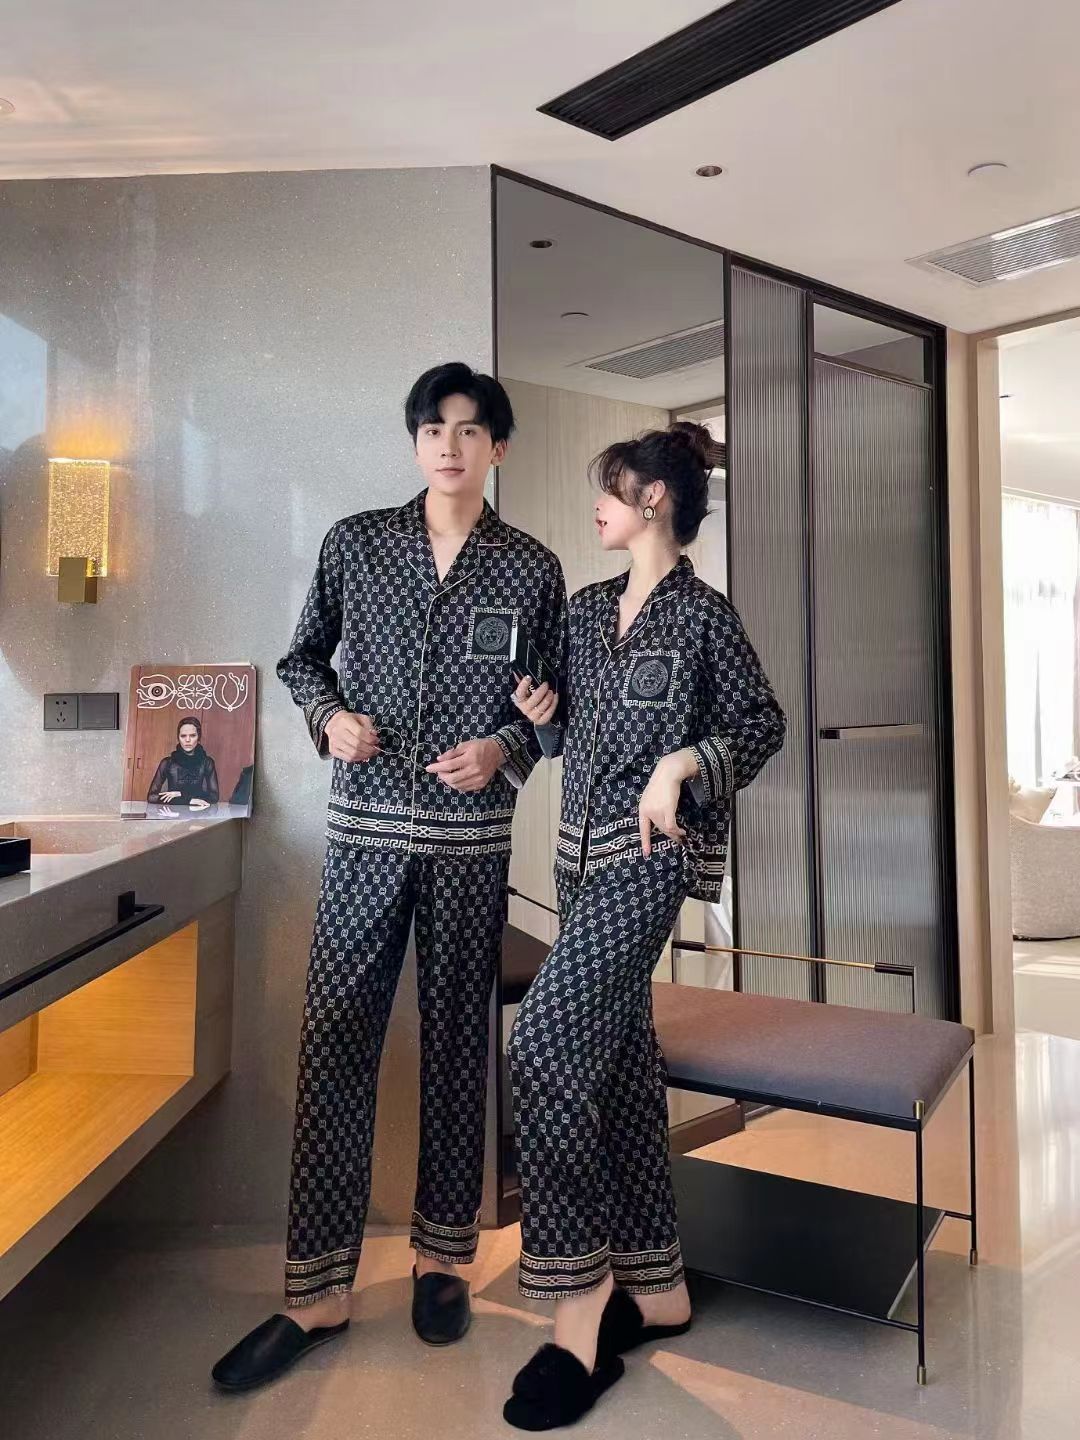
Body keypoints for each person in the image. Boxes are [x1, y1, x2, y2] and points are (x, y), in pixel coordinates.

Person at [211, 363, 567, 1391]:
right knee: (335, 1039)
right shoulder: (356, 544)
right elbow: (301, 661)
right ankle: (316, 1292)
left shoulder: (531, 569)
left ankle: (442, 1261)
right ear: (415, 443)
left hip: (471, 843)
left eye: (470, 429)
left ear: (498, 447)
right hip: (364, 835)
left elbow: (552, 704)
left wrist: (505, 748)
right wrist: (331, 720)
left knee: (457, 1043)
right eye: (433, 429)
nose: (450, 445)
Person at [502, 422, 785, 1430]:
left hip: (648, 865)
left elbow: (761, 723)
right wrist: (543, 714)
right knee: (619, 1068)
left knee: (542, 1047)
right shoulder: (585, 613)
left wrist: (682, 764)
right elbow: (565, 738)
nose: (600, 503)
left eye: (613, 488)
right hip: (574, 865)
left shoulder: (704, 617)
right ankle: (659, 1289)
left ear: (654, 498)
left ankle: (577, 1309)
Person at [146, 716, 219, 809]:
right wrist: (188, 800)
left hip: (198, 813)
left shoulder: (207, 762)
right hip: (171, 813)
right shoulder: (167, 763)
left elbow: (214, 796)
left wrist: (180, 794)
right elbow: (151, 797)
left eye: (192, 735)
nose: (187, 740)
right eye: (183, 736)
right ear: (178, 737)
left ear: (199, 737)